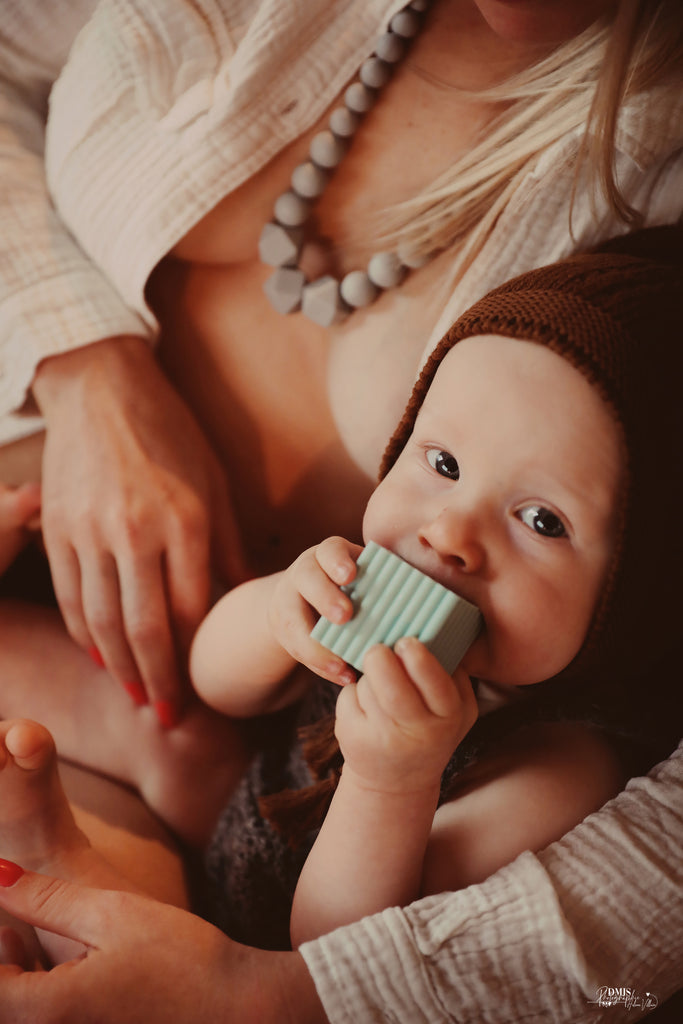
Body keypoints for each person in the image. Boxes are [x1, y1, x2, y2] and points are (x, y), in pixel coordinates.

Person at [0, 0, 682, 1016]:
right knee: (149, 729)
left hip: (229, 918)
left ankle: (66, 867)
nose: (449, 531)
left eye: (541, 522)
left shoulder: (554, 766)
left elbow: (322, 949)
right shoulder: (366, 588)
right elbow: (209, 684)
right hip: (190, 754)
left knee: (145, 892)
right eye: (438, 460)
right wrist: (276, 608)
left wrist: (390, 778)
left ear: (635, 593)